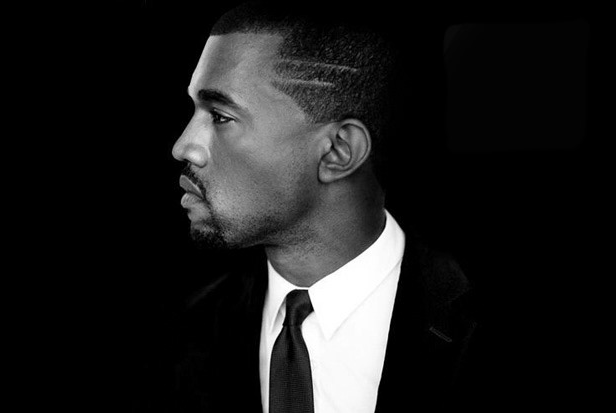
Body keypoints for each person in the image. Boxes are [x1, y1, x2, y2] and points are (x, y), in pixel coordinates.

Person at [146, 1, 476, 412]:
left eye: (221, 116)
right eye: (195, 110)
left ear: (338, 151)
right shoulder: (173, 336)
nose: (184, 147)